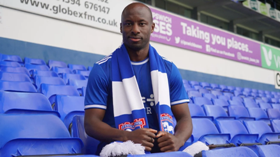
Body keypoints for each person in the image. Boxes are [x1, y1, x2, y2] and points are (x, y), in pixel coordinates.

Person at [84, 2, 192, 154]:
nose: (135, 30)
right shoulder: (102, 69)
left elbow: (184, 118)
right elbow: (91, 123)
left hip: (162, 152)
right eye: (129, 24)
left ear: (152, 27)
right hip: (121, 152)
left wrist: (178, 139)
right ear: (121, 27)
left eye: (142, 24)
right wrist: (127, 136)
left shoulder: (168, 69)